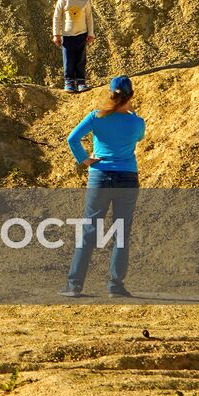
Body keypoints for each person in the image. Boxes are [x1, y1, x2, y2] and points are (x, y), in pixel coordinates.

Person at [60, 75, 145, 298]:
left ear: (110, 93)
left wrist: (85, 159)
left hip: (100, 176)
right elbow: (139, 137)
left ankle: (74, 285)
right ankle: (115, 286)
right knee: (121, 232)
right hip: (127, 177)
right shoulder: (137, 121)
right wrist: (132, 115)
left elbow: (72, 139)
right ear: (131, 95)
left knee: (89, 230)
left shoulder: (96, 116)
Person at [51, 0, 95, 92]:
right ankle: (69, 81)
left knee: (81, 59)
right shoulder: (62, 1)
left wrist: (91, 34)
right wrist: (56, 34)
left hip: (81, 34)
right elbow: (56, 18)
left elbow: (89, 18)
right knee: (68, 60)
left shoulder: (85, 2)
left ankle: (81, 81)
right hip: (67, 36)